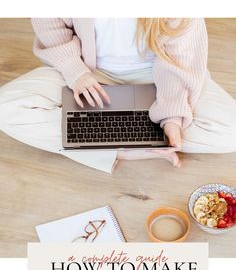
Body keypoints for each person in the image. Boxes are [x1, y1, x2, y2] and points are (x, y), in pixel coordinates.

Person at [0, 18, 236, 173]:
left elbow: (181, 57)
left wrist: (173, 117)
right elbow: (50, 27)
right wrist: (75, 71)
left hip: (160, 77)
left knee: (231, 132)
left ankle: (115, 137)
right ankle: (127, 149)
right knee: (6, 107)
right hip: (88, 73)